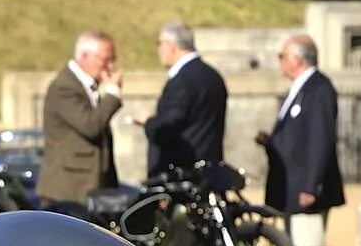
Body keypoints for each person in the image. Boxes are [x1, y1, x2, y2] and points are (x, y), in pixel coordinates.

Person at [257, 34, 344, 246]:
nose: (280, 61)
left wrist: (310, 185)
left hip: (304, 192)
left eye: (282, 56)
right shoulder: (300, 88)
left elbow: (321, 138)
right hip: (289, 189)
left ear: (296, 58)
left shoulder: (318, 89)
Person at [40, 30, 122, 209]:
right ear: (84, 56)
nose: (110, 67)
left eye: (112, 60)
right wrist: (112, 95)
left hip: (91, 188)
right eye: (105, 60)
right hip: (68, 191)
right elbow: (91, 125)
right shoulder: (64, 87)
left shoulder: (87, 86)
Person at [135, 21, 226, 177]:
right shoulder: (213, 76)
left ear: (171, 46)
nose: (158, 51)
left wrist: (148, 121)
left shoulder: (181, 81)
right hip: (210, 172)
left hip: (182, 176)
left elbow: (168, 129)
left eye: (159, 44)